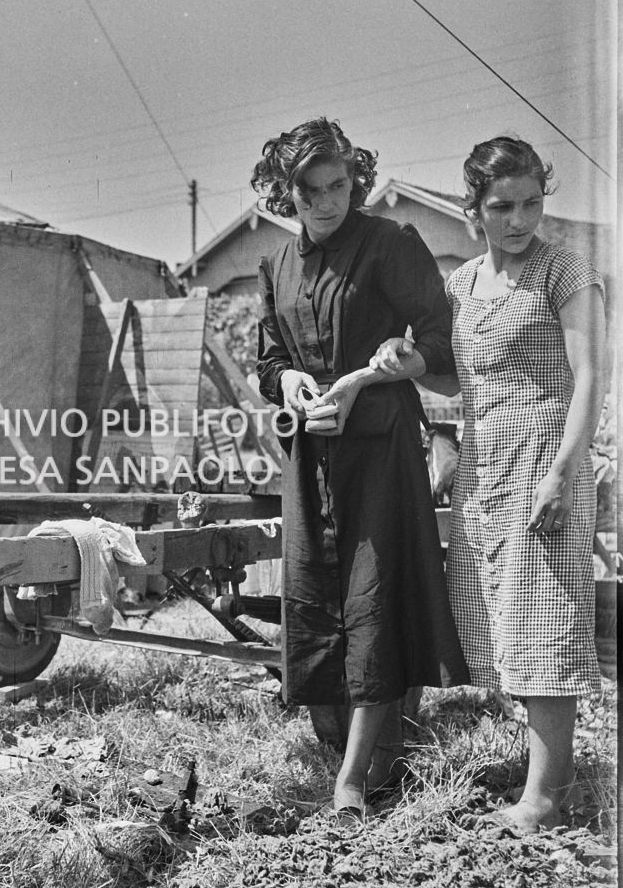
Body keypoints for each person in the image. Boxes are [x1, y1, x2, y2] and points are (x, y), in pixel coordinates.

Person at [373, 136, 607, 833]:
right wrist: (413, 362)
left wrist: (564, 471)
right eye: (502, 206)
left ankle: (542, 800)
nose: (520, 219)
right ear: (472, 208)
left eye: (533, 202)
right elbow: (456, 375)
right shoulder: (462, 284)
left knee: (547, 620)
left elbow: (591, 376)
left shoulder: (565, 273)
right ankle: (547, 777)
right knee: (505, 620)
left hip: (547, 460)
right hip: (486, 467)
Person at [252, 117, 469, 820]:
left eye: (338, 184)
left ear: (356, 178)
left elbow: (438, 341)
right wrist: (286, 383)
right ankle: (366, 750)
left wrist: (383, 372)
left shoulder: (389, 244)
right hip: (310, 456)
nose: (326, 201)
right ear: (287, 193)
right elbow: (268, 359)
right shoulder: (276, 266)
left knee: (371, 602)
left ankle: (352, 780)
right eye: (310, 190)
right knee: (314, 599)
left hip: (378, 449)